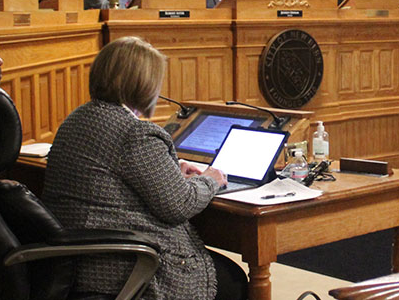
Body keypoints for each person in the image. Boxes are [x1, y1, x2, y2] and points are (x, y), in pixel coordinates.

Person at [43, 37, 247, 300]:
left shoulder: (77, 118)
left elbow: (117, 177)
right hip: (121, 267)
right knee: (234, 281)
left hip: (77, 262)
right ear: (144, 83)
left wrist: (171, 168)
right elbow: (180, 204)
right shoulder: (135, 132)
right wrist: (211, 179)